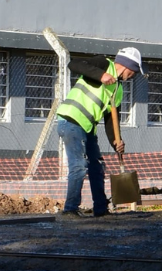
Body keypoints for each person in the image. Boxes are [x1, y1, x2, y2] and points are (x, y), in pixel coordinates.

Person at [55, 47, 143, 217]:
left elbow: (111, 120)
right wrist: (101, 75)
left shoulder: (118, 89)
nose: (133, 76)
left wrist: (116, 141)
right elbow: (74, 64)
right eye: (134, 72)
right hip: (71, 120)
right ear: (127, 66)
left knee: (97, 167)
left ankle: (101, 209)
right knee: (79, 165)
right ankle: (70, 209)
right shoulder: (103, 63)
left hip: (87, 128)